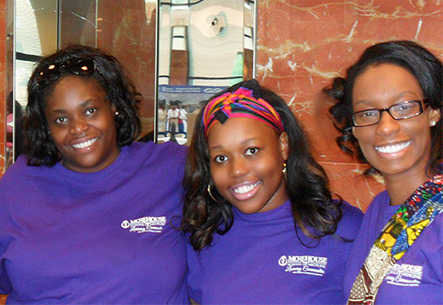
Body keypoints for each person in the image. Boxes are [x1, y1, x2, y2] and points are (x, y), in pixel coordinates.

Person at [0, 45, 188, 303]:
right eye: (60, 119)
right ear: (46, 127)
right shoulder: (19, 184)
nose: (78, 128)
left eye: (90, 110)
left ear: (113, 105)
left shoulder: (170, 168)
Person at [182, 79, 363, 304]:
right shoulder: (203, 236)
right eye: (221, 158)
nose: (236, 170)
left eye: (251, 150)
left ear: (283, 146)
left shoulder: (345, 229)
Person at [327, 41, 443, 303]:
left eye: (404, 107)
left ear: (433, 112)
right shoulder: (379, 209)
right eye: (368, 113)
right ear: (354, 128)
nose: (386, 127)